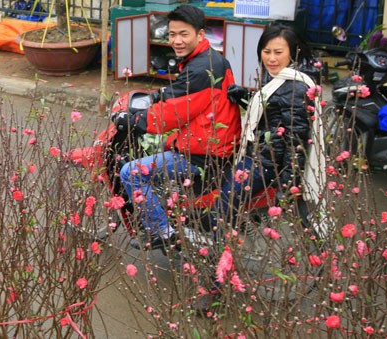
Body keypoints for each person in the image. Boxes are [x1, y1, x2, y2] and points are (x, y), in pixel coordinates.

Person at [116, 5, 242, 250]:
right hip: (210, 142)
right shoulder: (208, 60)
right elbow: (180, 96)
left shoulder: (201, 69)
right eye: (172, 34)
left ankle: (162, 230)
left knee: (130, 172)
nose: (177, 40)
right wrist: (157, 96)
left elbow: (172, 112)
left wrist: (136, 120)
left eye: (184, 34)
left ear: (201, 34)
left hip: (203, 153)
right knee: (159, 145)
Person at [220, 23, 325, 226]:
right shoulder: (280, 79)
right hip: (262, 156)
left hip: (266, 164)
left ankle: (219, 251)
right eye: (266, 51)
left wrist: (286, 188)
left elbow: (296, 143)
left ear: (293, 53)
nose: (271, 58)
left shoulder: (295, 87)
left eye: (278, 52)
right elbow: (272, 112)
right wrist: (246, 97)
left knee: (224, 203)